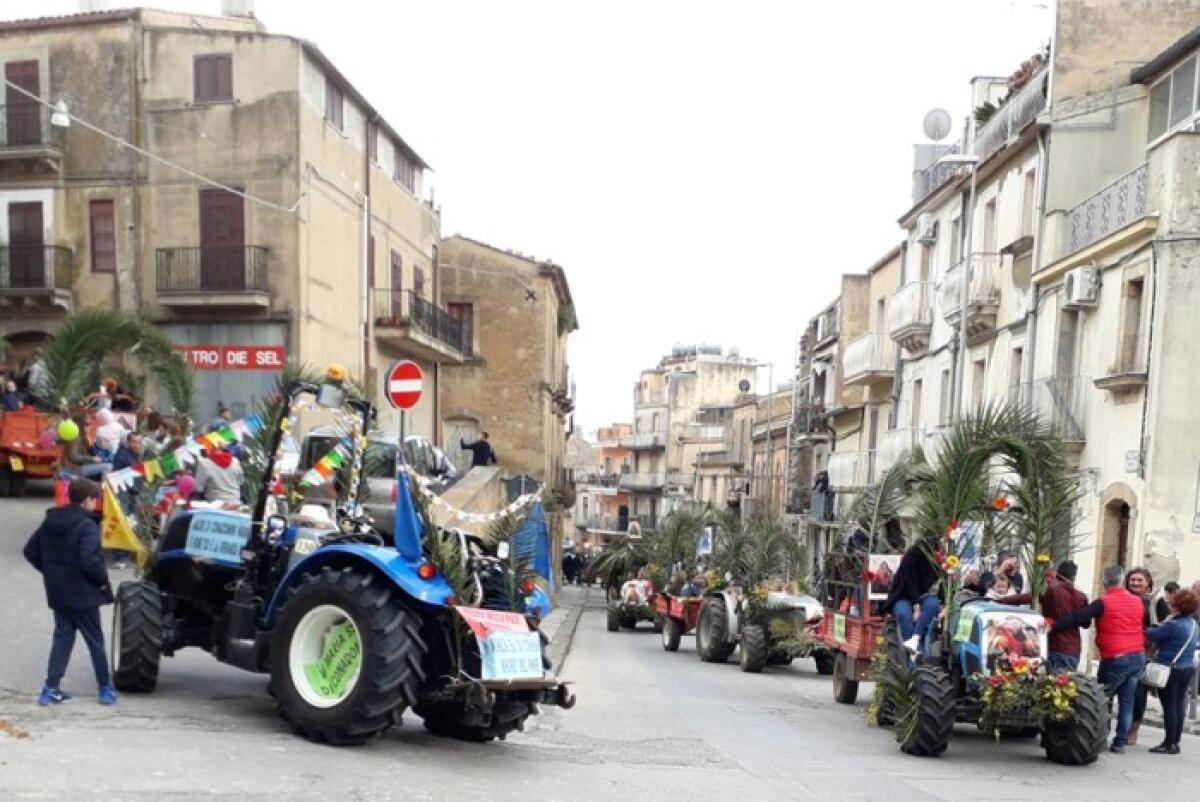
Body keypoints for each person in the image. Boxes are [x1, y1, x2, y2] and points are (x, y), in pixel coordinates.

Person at [22, 478, 117, 706]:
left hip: (58, 592)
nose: (96, 504)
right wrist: (102, 583)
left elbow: (30, 551)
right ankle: (105, 689)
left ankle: (50, 689)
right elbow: (89, 562)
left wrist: (50, 572)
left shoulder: (50, 521)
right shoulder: (87, 526)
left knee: (62, 638)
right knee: (95, 641)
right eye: (95, 499)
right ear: (87, 501)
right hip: (83, 593)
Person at [1050, 565, 1146, 753]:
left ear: (1103, 583)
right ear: (1122, 581)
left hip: (1115, 657)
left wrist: (1052, 626)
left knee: (1101, 699)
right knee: (1127, 701)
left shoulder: (1103, 602)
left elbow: (1078, 617)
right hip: (1137, 655)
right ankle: (1119, 743)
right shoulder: (1136, 601)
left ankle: (1098, 738)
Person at [1144, 589, 1199, 755]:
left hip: (1171, 668)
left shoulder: (1174, 625)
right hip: (1187, 667)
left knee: (1169, 707)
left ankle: (1168, 743)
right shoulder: (1193, 624)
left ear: (1177, 605)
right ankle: (1176, 742)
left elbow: (1151, 635)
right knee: (1178, 706)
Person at [1126, 566, 1167, 744]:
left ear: (1148, 583)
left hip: (1144, 653)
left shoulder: (1157, 603)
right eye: (1132, 579)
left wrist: (1146, 628)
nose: (1135, 583)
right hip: (1121, 649)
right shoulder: (1124, 599)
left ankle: (1133, 731)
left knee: (1138, 693)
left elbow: (1164, 627)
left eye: (1139, 580)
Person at [883, 535, 942, 652]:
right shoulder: (911, 558)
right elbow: (911, 583)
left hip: (924, 595)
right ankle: (915, 653)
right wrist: (916, 607)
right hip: (904, 595)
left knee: (933, 605)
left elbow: (941, 582)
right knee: (903, 614)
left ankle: (915, 639)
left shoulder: (937, 561)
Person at [1040, 560, 1090, 672]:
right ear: (1073, 577)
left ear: (1057, 575)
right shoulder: (1081, 596)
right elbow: (1086, 623)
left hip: (1056, 645)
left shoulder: (1052, 592)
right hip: (1073, 648)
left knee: (1054, 686)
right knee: (1067, 685)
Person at [63, 412, 109, 479]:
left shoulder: (81, 436)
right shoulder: (76, 437)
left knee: (102, 463)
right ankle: (102, 488)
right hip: (73, 469)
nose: (90, 427)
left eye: (90, 424)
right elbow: (72, 456)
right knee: (108, 466)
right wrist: (92, 459)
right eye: (87, 424)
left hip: (76, 467)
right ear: (80, 425)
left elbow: (86, 453)